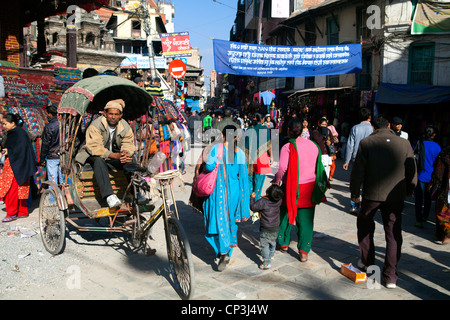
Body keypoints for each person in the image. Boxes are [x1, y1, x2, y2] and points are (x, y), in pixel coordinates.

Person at [350, 115, 417, 289]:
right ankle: (390, 276)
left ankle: (370, 268)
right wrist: (410, 189)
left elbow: (358, 171)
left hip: (372, 194)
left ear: (373, 127)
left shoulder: (366, 143)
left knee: (365, 226)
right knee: (393, 233)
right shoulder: (404, 144)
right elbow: (411, 170)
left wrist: (355, 193)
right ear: (389, 125)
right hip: (395, 196)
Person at [272, 117, 328, 262]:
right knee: (306, 220)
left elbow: (283, 168)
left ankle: (283, 243)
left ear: (289, 131)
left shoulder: (287, 147)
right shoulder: (313, 145)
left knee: (284, 214)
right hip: (310, 187)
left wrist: (276, 180)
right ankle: (304, 251)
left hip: (290, 187)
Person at [202, 125, 250, 271]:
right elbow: (243, 177)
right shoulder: (240, 153)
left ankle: (222, 252)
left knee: (217, 220)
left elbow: (209, 167)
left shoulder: (217, 149)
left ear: (223, 135)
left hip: (218, 190)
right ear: (236, 137)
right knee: (230, 220)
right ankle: (228, 250)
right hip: (234, 192)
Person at [75, 99, 136, 208]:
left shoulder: (124, 125)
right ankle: (109, 195)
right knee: (99, 160)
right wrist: (115, 155)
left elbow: (128, 142)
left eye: (116, 114)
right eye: (111, 114)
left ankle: (135, 190)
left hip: (112, 155)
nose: (113, 117)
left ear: (120, 115)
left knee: (130, 159)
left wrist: (125, 153)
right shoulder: (96, 125)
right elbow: (95, 147)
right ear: (105, 113)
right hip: (92, 154)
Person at [0, 114, 37, 222]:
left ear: (12, 123)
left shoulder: (18, 134)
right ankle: (22, 211)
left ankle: (11, 213)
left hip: (16, 166)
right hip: (19, 164)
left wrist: (9, 151)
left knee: (12, 190)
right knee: (19, 189)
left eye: (5, 123)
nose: (3, 126)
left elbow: (20, 149)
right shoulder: (15, 133)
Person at [343, 107, 373, 213]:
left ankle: (354, 205)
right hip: (370, 160)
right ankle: (366, 206)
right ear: (370, 117)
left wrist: (347, 161)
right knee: (368, 183)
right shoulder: (373, 129)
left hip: (357, 159)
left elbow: (350, 145)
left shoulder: (355, 128)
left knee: (355, 183)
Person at [250, 184, 283, 270]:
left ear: (267, 193)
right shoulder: (279, 200)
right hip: (275, 226)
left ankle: (267, 262)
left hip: (265, 228)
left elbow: (253, 207)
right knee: (272, 242)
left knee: (264, 245)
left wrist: (252, 198)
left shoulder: (263, 201)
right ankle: (271, 255)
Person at [414, 125, 441, 228]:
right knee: (428, 198)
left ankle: (419, 220)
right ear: (434, 135)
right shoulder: (437, 147)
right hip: (431, 177)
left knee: (418, 199)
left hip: (419, 175)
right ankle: (425, 216)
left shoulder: (418, 144)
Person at [244, 113, 273, 200]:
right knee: (258, 184)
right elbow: (268, 145)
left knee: (250, 181)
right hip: (261, 158)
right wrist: (271, 156)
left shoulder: (249, 129)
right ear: (262, 119)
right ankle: (255, 205)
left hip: (249, 158)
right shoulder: (265, 129)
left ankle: (250, 201)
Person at [429, 146, 450, 244]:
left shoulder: (444, 155)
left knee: (443, 212)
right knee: (443, 212)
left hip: (445, 189)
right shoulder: (444, 155)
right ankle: (446, 235)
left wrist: (434, 182)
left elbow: (437, 173)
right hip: (445, 188)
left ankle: (446, 235)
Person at [39, 105, 63, 186]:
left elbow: (45, 144)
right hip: (62, 155)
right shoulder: (63, 125)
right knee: (62, 180)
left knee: (53, 181)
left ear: (49, 114)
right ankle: (64, 196)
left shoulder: (49, 127)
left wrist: (42, 158)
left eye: (46, 114)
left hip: (52, 156)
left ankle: (53, 198)